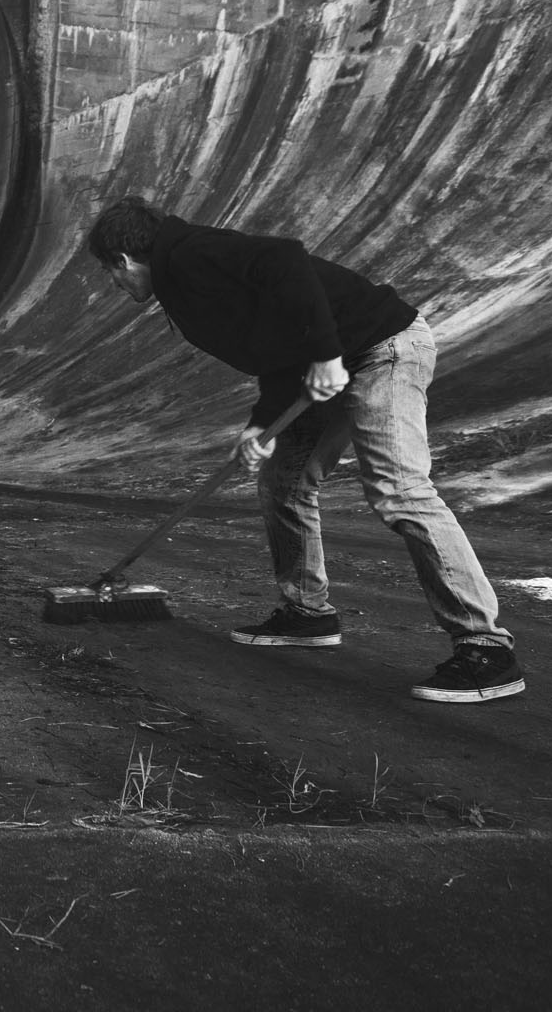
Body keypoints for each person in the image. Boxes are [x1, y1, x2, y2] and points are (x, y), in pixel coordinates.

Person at [85, 196, 523, 704]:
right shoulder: (182, 285)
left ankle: (486, 647)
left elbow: (286, 259)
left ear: (123, 259)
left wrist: (326, 355)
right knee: (283, 483)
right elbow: (276, 349)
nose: (115, 284)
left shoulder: (190, 253)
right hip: (332, 359)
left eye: (110, 273)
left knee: (399, 489)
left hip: (382, 348)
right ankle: (307, 613)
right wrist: (260, 426)